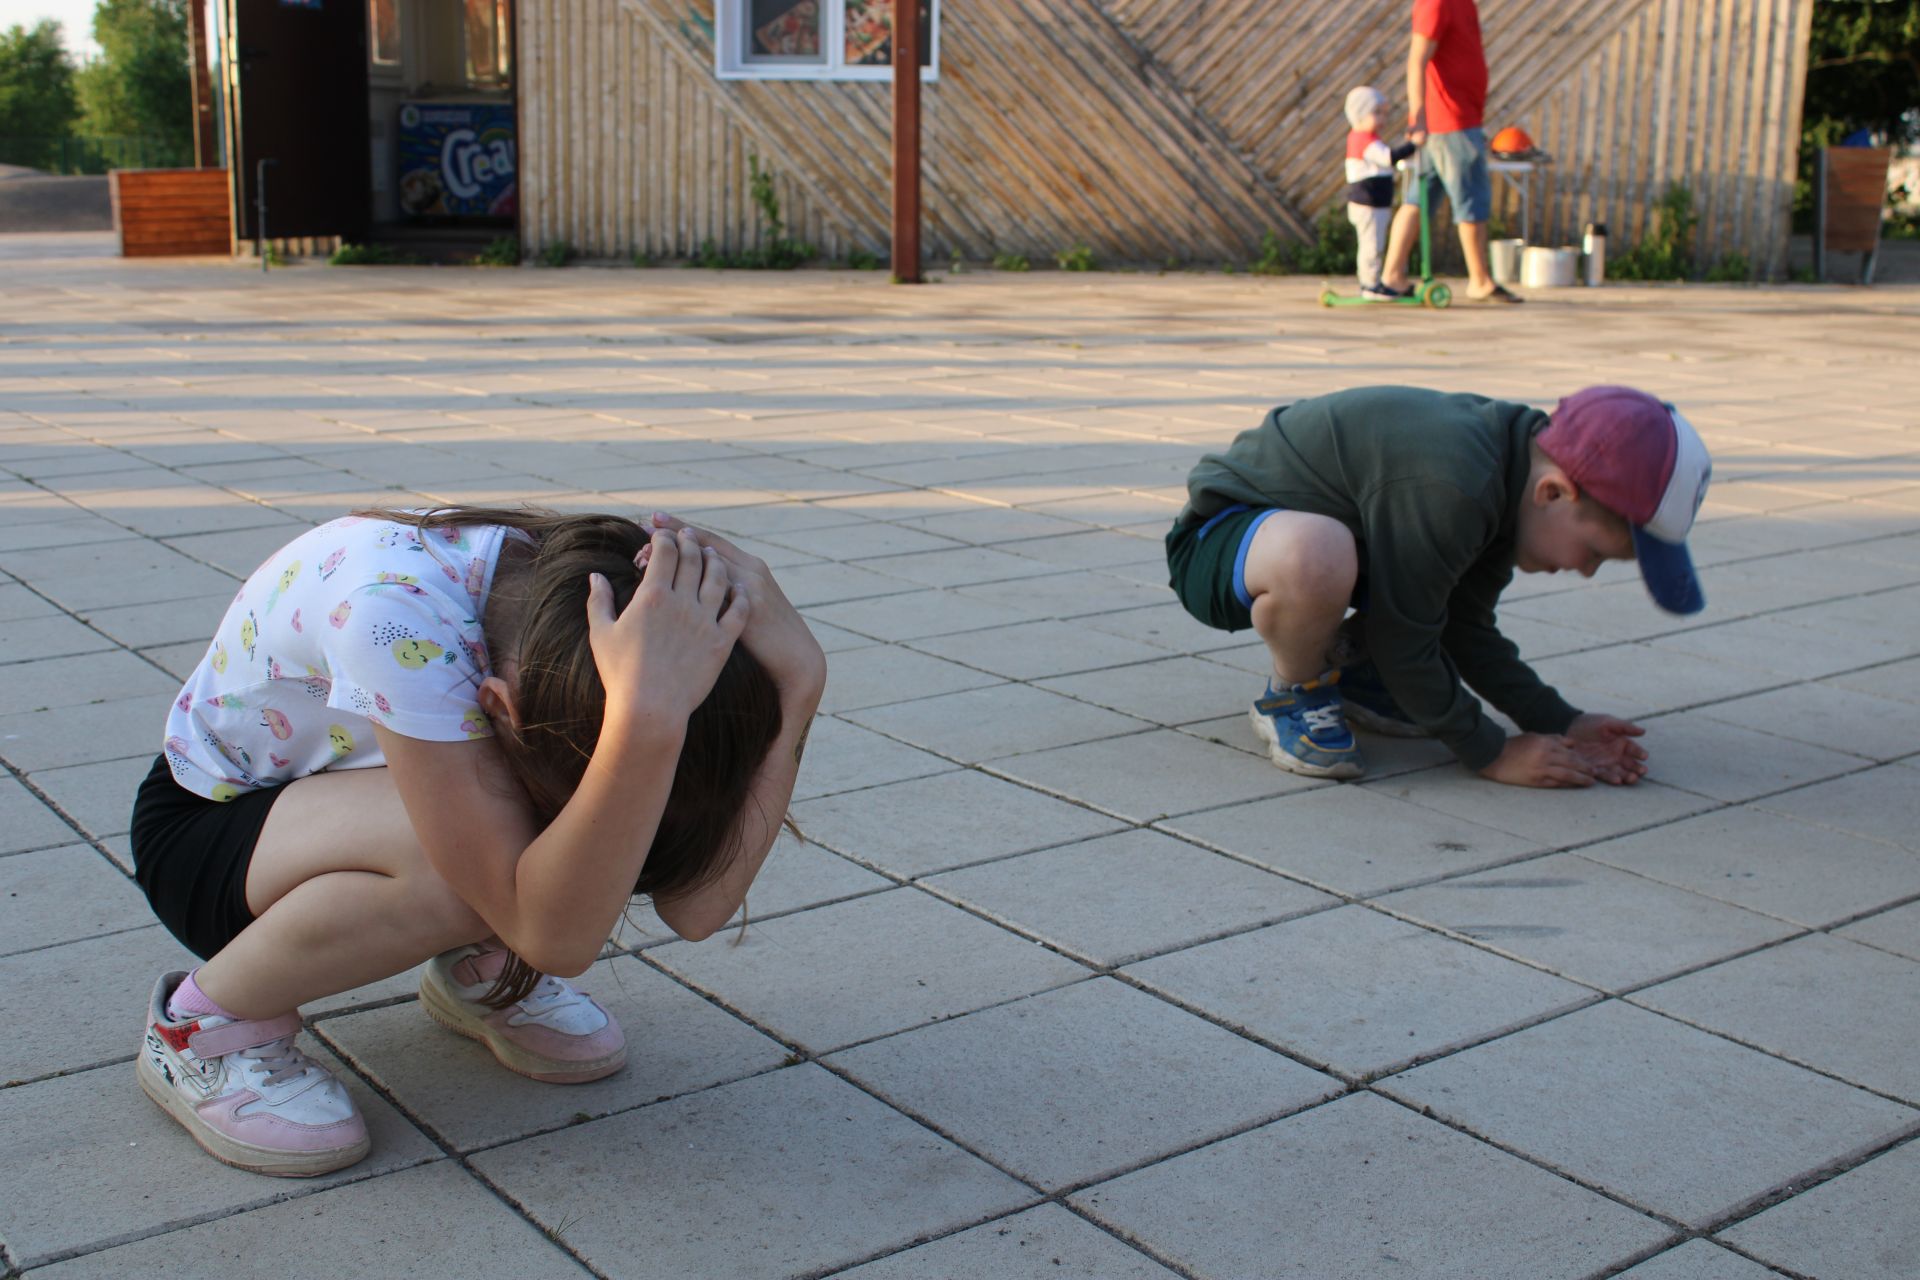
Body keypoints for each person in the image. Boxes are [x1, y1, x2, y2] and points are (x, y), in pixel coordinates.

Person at [129, 506, 825, 1177]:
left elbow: (695, 908)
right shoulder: (392, 619)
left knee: (602, 814)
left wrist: (800, 680)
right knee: (533, 848)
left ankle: (477, 963)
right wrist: (642, 723)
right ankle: (203, 1026)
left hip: (359, 802)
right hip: (213, 836)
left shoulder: (610, 612)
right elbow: (557, 938)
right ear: (499, 708)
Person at [1164, 385, 1712, 786]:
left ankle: (1358, 675)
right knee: (1319, 554)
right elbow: (1407, 637)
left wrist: (1560, 720)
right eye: (1595, 553)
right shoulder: (1457, 484)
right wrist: (1491, 752)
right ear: (1553, 494)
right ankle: (1294, 691)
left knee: (1396, 588)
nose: (1587, 570)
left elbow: (1464, 627)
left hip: (1315, 545)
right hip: (1224, 540)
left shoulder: (1510, 480)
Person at [1380, 0, 1520, 303]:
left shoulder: (1463, 4)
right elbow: (1417, 59)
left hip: (1458, 118)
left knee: (1419, 199)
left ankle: (1392, 276)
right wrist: (1417, 116)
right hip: (1451, 121)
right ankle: (1480, 279)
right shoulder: (1438, 2)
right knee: (1471, 197)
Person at [1344, 86, 1419, 301]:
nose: (1382, 119)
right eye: (1376, 113)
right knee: (1371, 246)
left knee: (1375, 244)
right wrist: (1413, 145)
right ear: (1360, 113)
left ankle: (1373, 282)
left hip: (1377, 203)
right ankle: (1370, 284)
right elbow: (1388, 158)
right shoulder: (1363, 139)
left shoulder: (1369, 138)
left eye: (1384, 113)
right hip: (1368, 204)